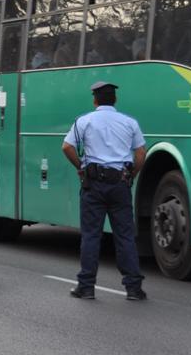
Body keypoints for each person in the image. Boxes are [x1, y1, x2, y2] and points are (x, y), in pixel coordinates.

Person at [62, 81, 147, 301]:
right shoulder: (129, 123)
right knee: (125, 237)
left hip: (94, 185)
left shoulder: (84, 121)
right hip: (120, 184)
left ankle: (86, 287)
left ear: (95, 100)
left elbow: (67, 147)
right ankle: (134, 289)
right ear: (115, 100)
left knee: (91, 236)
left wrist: (81, 167)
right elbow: (140, 153)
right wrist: (131, 176)